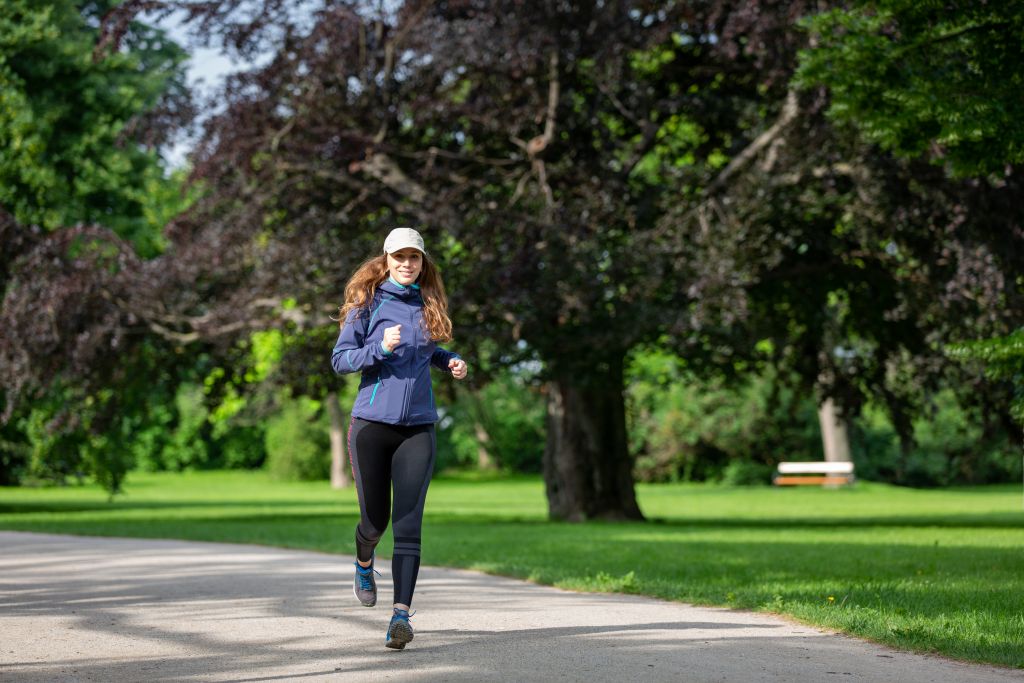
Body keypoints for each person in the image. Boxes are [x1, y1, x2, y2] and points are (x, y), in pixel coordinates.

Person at [330, 227, 468, 650]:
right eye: (399, 257)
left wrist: (449, 361)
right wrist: (380, 351)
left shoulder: (428, 303)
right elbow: (341, 359)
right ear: (386, 259)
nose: (407, 264)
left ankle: (400, 617)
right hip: (371, 425)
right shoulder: (366, 303)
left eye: (414, 257)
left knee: (409, 525)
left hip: (419, 428)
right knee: (375, 521)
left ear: (423, 262)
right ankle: (363, 560)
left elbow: (426, 351)